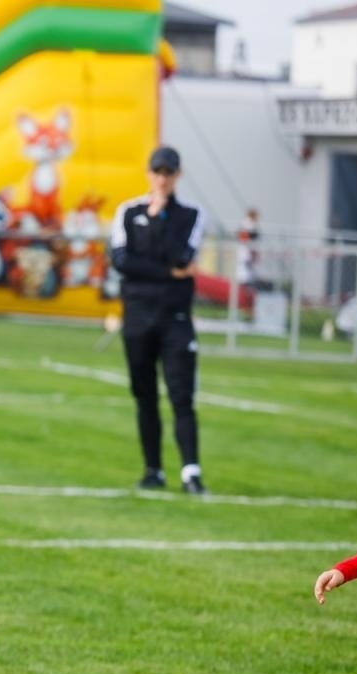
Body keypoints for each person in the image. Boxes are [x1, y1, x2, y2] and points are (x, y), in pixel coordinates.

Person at [109, 145, 207, 495]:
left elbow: (182, 255)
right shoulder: (128, 211)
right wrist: (168, 271)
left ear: (177, 176)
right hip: (137, 316)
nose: (162, 179)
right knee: (144, 393)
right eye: (158, 172)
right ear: (149, 173)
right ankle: (153, 469)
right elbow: (122, 262)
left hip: (174, 317)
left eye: (169, 173)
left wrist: (161, 219)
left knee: (182, 393)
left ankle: (191, 472)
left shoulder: (192, 214)